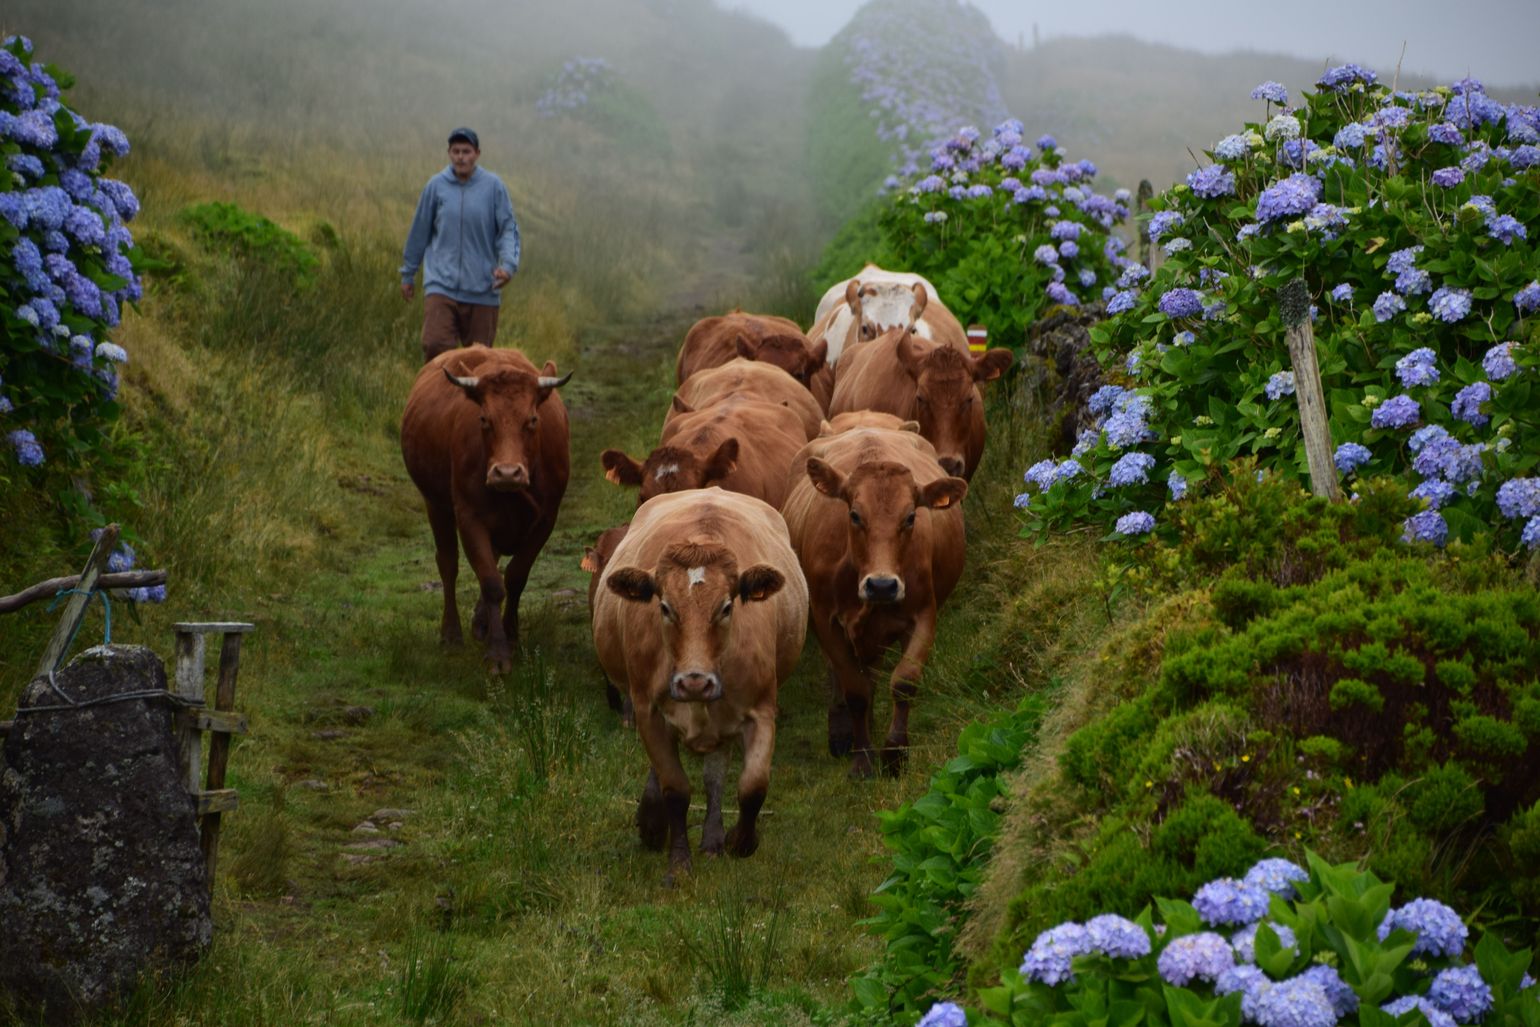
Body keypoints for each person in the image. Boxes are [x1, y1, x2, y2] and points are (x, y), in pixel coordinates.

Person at [400, 127, 522, 362]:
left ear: (477, 153)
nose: (461, 157)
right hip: (441, 285)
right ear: (449, 153)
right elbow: (419, 232)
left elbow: (509, 229)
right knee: (435, 346)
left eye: (466, 151)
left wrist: (508, 265)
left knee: (478, 361)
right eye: (455, 151)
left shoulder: (494, 187)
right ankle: (438, 399)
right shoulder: (436, 186)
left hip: (483, 289)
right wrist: (408, 273)